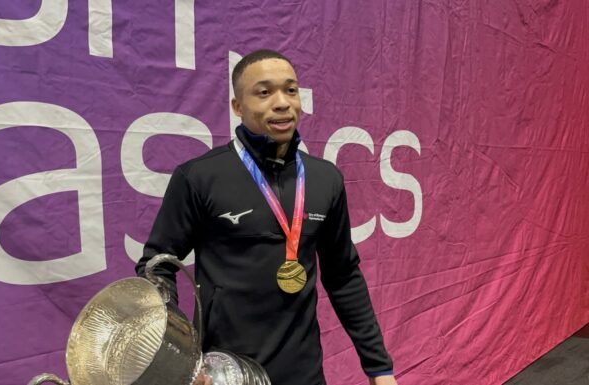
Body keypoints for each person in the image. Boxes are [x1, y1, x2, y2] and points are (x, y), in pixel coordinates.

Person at [136, 49, 397, 385]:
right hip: (224, 375)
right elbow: (156, 267)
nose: (282, 102)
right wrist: (183, 359)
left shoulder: (324, 179)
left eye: (290, 90)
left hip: (304, 374)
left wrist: (379, 368)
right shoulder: (199, 177)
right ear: (237, 107)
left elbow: (343, 274)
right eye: (264, 92)